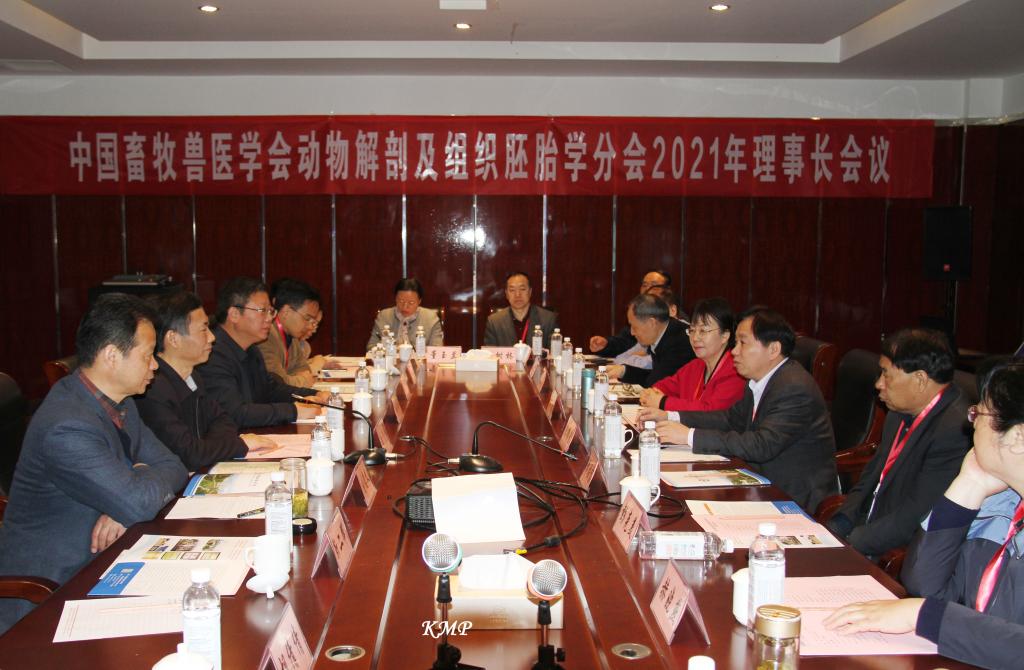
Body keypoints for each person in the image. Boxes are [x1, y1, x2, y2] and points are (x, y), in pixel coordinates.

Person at [0, 294, 188, 634]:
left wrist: (132, 487)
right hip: (50, 595)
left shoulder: (119, 402)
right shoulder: (66, 426)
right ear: (112, 356)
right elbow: (139, 503)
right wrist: (130, 494)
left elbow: (173, 465)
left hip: (107, 561)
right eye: (147, 355)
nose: (156, 365)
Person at [824, 362, 1024, 670]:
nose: (972, 424)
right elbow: (926, 586)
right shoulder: (1001, 503)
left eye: (980, 414)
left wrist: (922, 615)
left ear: (1018, 437)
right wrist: (968, 484)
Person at [653, 306, 837, 512]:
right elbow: (730, 419)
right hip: (757, 481)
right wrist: (671, 416)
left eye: (742, 342)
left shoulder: (793, 387)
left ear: (773, 349)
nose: (734, 351)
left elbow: (762, 444)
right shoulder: (759, 379)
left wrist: (689, 436)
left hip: (792, 497)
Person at [826, 329, 971, 558]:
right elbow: (871, 477)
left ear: (920, 379)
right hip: (867, 529)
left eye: (886, 374)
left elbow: (916, 514)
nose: (878, 384)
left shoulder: (955, 430)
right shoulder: (898, 412)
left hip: (893, 550)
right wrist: (840, 523)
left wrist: (852, 544)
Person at [136, 291, 276, 471]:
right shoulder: (152, 388)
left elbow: (223, 419)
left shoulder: (193, 376)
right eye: (203, 330)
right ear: (173, 339)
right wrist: (237, 445)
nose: (212, 337)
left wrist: (208, 447)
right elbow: (189, 454)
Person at [201, 277, 323, 428]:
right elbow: (235, 413)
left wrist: (313, 395)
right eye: (262, 311)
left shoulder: (251, 349)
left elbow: (271, 390)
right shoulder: (213, 354)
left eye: (270, 311)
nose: (269, 318)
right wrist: (294, 411)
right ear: (234, 314)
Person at [637, 297, 745, 413]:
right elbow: (664, 386)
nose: (695, 338)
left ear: (725, 335)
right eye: (692, 330)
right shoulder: (695, 365)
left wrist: (663, 402)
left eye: (703, 331)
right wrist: (650, 394)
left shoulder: (736, 370)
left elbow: (711, 411)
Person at [604, 293, 695, 388]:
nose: (632, 332)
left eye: (634, 327)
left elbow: (655, 383)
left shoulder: (679, 343)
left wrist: (624, 371)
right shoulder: (664, 333)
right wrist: (623, 371)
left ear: (651, 323)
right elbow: (654, 376)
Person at [589, 270, 683, 357]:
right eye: (645, 285)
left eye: (654, 285)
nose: (648, 289)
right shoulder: (637, 314)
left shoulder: (677, 328)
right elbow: (624, 341)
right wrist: (606, 344)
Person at [258, 278, 327, 387]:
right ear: (286, 312)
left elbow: (304, 370)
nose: (310, 326)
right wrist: (302, 380)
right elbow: (278, 384)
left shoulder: (292, 335)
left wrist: (297, 379)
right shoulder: (266, 335)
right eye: (307, 318)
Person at [484, 271, 558, 348]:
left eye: (522, 289)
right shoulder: (494, 322)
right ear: (506, 294)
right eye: (512, 290)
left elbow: (554, 353)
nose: (517, 295)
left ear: (530, 292)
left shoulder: (548, 319)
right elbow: (490, 353)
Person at [366, 277, 443, 350]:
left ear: (419, 301)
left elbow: (437, 349)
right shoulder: (384, 316)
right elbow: (371, 346)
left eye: (411, 302)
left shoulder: (431, 318)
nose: (405, 306)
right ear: (395, 298)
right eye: (401, 301)